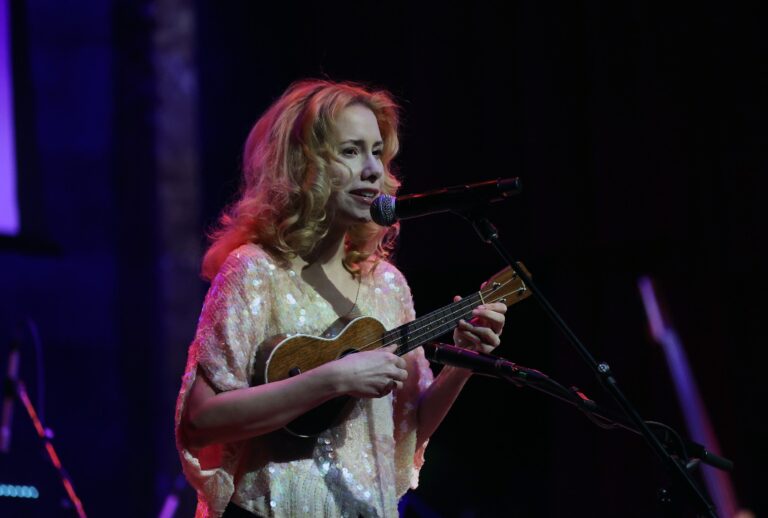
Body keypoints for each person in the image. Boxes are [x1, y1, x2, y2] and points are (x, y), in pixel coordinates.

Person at [175, 79, 507, 518]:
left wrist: (461, 364)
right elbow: (199, 423)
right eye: (350, 151)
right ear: (301, 165)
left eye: (377, 152)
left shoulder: (387, 285)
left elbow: (408, 427)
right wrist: (332, 379)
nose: (373, 169)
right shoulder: (254, 272)